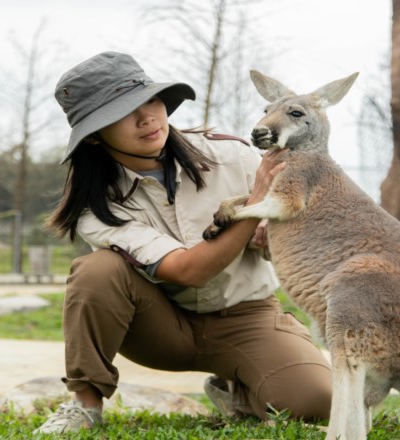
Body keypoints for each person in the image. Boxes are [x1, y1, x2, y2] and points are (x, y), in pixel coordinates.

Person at [33, 51, 332, 434]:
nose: (146, 118)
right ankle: (86, 404)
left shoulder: (232, 155)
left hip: (247, 316)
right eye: (122, 112)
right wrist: (255, 205)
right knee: (97, 270)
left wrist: (270, 234)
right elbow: (189, 271)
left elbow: (291, 237)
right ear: (93, 135)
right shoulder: (96, 205)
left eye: (150, 100)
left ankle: (235, 389)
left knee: (316, 403)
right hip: (160, 326)